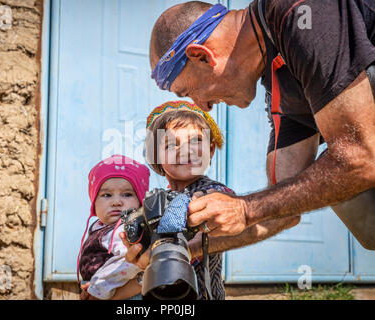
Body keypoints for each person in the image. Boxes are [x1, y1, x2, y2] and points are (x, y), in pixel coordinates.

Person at [146, 1, 375, 250]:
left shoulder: (298, 9)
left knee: (350, 157)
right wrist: (180, 251)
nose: (203, 107)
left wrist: (246, 209)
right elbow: (282, 210)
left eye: (190, 91)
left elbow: (363, 157)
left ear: (202, 56)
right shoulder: (281, 89)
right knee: (345, 192)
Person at [125, 100, 232, 300]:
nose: (185, 150)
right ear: (155, 156)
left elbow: (221, 215)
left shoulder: (213, 192)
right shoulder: (153, 203)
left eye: (196, 141)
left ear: (210, 149)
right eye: (171, 144)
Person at [77, 154, 150, 300]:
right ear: (94, 201)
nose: (116, 202)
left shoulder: (127, 231)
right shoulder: (100, 227)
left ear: (140, 201)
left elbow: (126, 264)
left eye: (127, 194)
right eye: (107, 195)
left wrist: (97, 290)